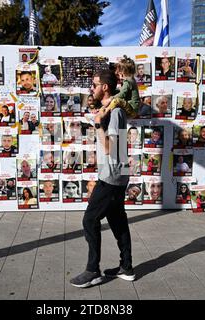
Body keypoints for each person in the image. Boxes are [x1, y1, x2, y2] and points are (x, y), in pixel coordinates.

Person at [70, 69, 134, 288]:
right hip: (115, 172)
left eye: (94, 84)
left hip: (113, 174)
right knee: (117, 220)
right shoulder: (110, 109)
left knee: (89, 220)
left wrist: (97, 124)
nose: (92, 88)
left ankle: (93, 271)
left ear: (105, 87)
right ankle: (126, 267)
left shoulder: (115, 112)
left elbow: (111, 149)